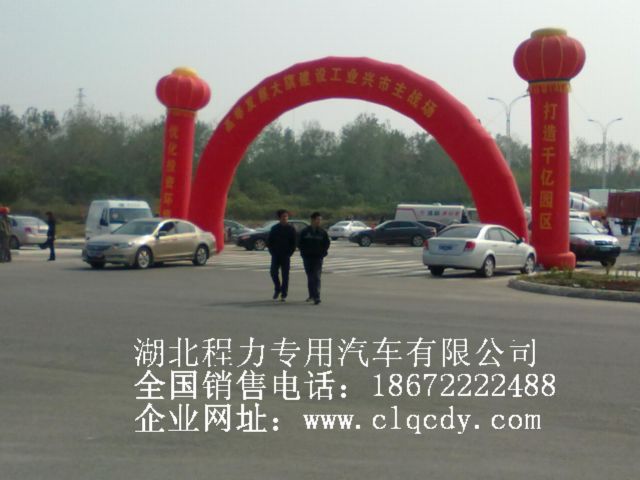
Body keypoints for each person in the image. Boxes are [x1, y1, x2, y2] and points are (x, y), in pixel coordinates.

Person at [299, 212, 330, 305]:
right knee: (310, 277)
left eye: (320, 220)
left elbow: (326, 244)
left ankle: (317, 297)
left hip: (318, 258)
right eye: (317, 219)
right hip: (307, 257)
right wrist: (303, 253)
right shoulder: (305, 232)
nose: (319, 221)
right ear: (312, 220)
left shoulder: (322, 232)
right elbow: (300, 243)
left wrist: (323, 253)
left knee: (316, 276)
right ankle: (311, 295)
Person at [267, 209, 297, 302]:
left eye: (286, 216)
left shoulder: (291, 229)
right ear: (279, 218)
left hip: (286, 255)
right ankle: (277, 288)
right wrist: (272, 252)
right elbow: (269, 242)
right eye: (283, 216)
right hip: (276, 255)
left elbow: (294, 243)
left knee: (285, 275)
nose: (285, 218)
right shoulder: (274, 228)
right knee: (273, 272)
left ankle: (284, 293)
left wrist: (290, 253)